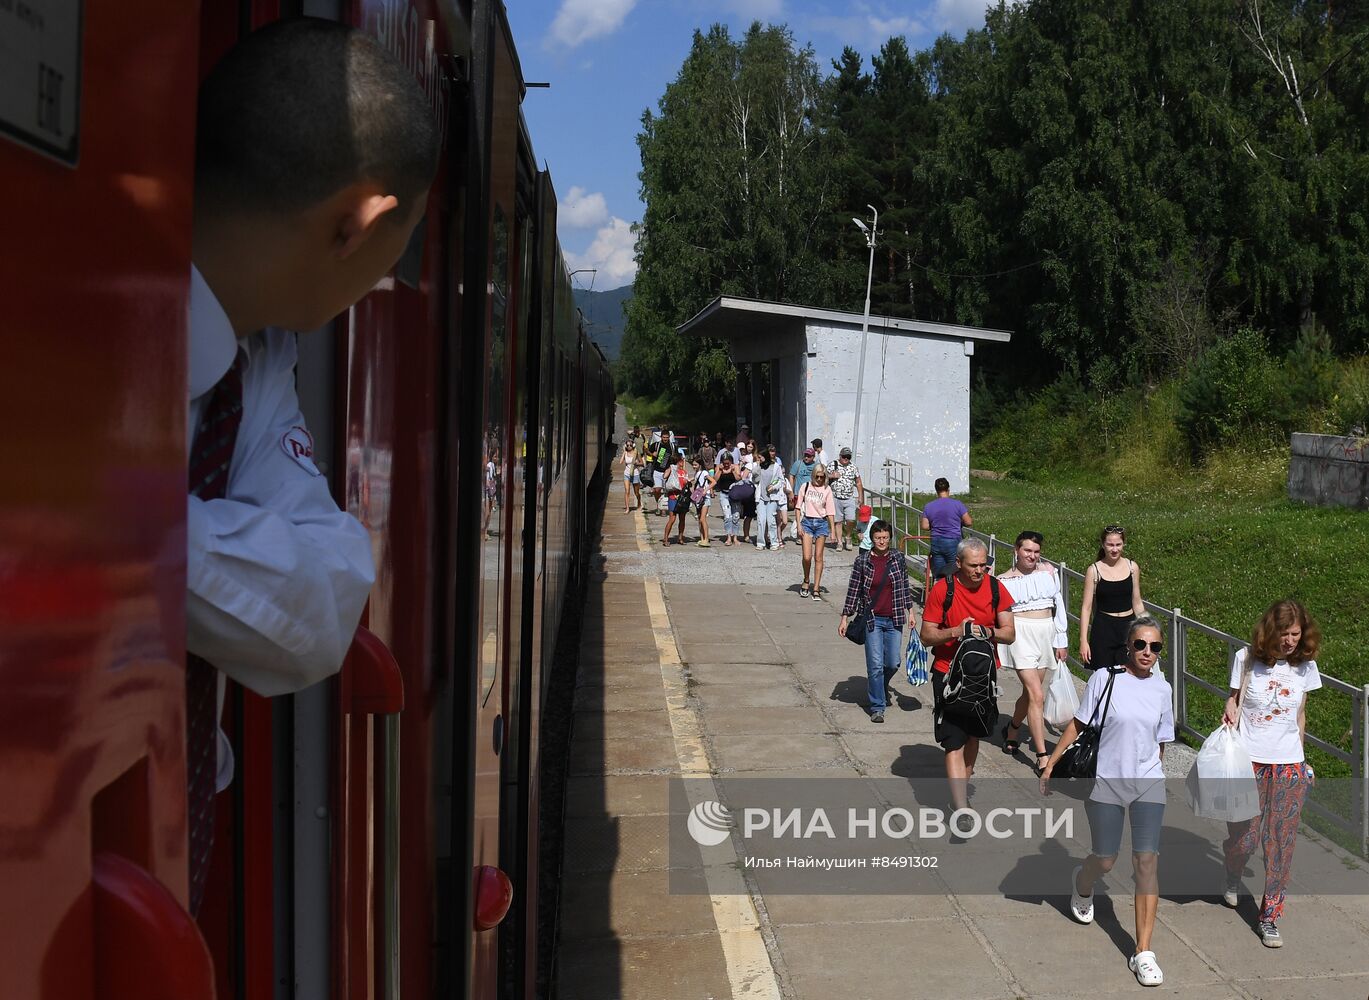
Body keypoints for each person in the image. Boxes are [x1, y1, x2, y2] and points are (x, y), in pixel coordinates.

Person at [188, 16, 437, 914]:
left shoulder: (255, 365)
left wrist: (121, 535)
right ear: (360, 221)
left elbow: (324, 602)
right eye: (393, 253)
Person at [1041, 616, 1173, 988]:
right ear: (1128, 646)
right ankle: (1083, 884)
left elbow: (1161, 742)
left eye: (1155, 647)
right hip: (1106, 782)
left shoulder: (1163, 690)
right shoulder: (1106, 678)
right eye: (1141, 645)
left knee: (1146, 861)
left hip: (1147, 783)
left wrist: (1155, 775)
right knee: (1106, 857)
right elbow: (1079, 724)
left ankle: (1143, 952)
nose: (1148, 652)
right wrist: (1051, 762)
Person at [1220, 600, 1322, 948]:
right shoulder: (1246, 659)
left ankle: (1270, 917)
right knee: (1245, 838)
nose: (1291, 641)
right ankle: (1232, 869)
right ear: (1270, 631)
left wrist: (1303, 760)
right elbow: (1233, 699)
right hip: (1249, 762)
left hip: (1288, 764)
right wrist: (1229, 708)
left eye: (1296, 634)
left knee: (1280, 845)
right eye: (1284, 634)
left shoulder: (1305, 667)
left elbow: (1300, 716)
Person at [919, 538, 1016, 809]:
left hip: (983, 676)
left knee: (973, 735)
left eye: (984, 565)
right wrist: (955, 631)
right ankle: (961, 806)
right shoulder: (942, 590)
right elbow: (926, 636)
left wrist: (989, 632)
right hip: (948, 675)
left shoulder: (996, 588)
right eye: (973, 565)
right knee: (953, 740)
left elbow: (1009, 633)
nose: (979, 571)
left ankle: (960, 791)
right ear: (958, 563)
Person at [998, 531, 1069, 775]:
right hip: (1021, 636)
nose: (1032, 555)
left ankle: (1013, 727)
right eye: (1027, 550)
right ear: (1016, 550)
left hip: (1045, 634)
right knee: (1037, 695)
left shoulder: (1049, 573)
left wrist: (1061, 639)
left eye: (1036, 551)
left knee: (1031, 695)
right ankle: (1042, 756)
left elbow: (1058, 606)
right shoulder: (1004, 580)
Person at [840, 520, 914, 723]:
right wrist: (845, 617)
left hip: (895, 618)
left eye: (885, 538)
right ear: (872, 539)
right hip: (872, 620)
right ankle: (877, 706)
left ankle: (880, 685)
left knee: (892, 662)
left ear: (890, 539)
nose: (882, 541)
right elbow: (853, 590)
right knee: (875, 666)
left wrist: (911, 612)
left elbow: (904, 586)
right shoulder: (862, 561)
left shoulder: (898, 558)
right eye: (878, 538)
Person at [1079, 525, 1145, 670]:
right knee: (1104, 679)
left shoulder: (1132, 567)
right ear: (1103, 545)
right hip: (1104, 629)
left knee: (1130, 677)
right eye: (1110, 545)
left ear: (1123, 544)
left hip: (1128, 628)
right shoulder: (1093, 570)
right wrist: (1083, 640)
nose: (1114, 549)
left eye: (1118, 545)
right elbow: (1086, 608)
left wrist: (1148, 628)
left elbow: (1137, 602)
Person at [796, 464, 837, 600]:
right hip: (807, 522)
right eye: (817, 476)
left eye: (822, 476)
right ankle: (806, 580)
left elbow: (830, 511)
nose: (819, 479)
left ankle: (816, 587)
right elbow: (797, 507)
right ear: (813, 475)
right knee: (807, 556)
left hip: (821, 523)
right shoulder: (806, 486)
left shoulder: (827, 489)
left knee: (818, 556)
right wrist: (798, 525)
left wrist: (833, 531)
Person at [919, 477, 971, 579]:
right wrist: (958, 522)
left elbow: (924, 526)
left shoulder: (929, 506)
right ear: (948, 489)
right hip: (953, 541)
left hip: (936, 542)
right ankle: (953, 592)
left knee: (939, 574)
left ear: (936, 490)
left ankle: (939, 592)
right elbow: (968, 522)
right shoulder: (957, 504)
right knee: (954, 572)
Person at [827, 447, 864, 550]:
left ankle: (848, 536)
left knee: (851, 519)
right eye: (844, 456)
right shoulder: (833, 465)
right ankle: (839, 542)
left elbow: (858, 482)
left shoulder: (853, 467)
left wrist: (860, 496)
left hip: (849, 497)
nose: (846, 459)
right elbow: (822, 476)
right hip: (835, 497)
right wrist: (832, 475)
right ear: (840, 456)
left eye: (848, 457)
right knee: (838, 521)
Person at [754, 448, 786, 550]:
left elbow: (781, 481)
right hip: (761, 497)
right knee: (760, 520)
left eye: (760, 457)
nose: (759, 459)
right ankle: (760, 542)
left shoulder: (776, 466)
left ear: (765, 456)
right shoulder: (759, 466)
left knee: (771, 520)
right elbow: (753, 478)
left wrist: (774, 487)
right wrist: (758, 465)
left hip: (772, 497)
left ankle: (774, 542)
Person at [660, 454, 691, 545]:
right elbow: (664, 476)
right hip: (673, 497)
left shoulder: (684, 472)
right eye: (681, 461)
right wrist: (670, 468)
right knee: (672, 519)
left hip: (682, 498)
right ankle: (665, 539)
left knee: (682, 519)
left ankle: (680, 538)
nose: (682, 463)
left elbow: (686, 483)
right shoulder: (672, 470)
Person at [789, 447, 819, 541]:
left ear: (813, 457)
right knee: (801, 514)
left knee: (811, 515)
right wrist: (791, 491)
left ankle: (809, 534)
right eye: (805, 455)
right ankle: (798, 534)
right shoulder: (798, 464)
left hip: (812, 495)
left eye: (809, 456)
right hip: (799, 494)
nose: (806, 458)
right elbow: (791, 476)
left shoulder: (816, 466)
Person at [765, 443, 790, 547]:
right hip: (771, 494)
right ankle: (773, 537)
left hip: (780, 495)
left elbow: (780, 476)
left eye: (773, 451)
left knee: (784, 521)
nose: (772, 453)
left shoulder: (778, 461)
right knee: (771, 520)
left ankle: (776, 535)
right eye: (770, 451)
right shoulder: (765, 462)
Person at [714, 452, 741, 545]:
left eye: (728, 463)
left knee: (736, 516)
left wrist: (733, 471)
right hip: (724, 494)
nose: (726, 465)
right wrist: (720, 470)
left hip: (734, 494)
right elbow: (715, 480)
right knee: (727, 516)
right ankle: (729, 537)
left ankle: (735, 537)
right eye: (724, 463)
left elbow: (738, 478)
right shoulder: (720, 467)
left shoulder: (735, 467)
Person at [691, 457, 715, 547]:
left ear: (700, 465)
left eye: (695, 465)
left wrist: (706, 490)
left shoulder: (704, 472)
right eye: (693, 464)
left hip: (705, 498)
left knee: (702, 519)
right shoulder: (696, 473)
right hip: (698, 498)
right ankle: (702, 539)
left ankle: (706, 539)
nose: (693, 466)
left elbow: (713, 482)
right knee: (699, 519)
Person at [621, 433, 640, 512]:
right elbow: (620, 462)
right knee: (627, 491)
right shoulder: (625, 453)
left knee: (636, 493)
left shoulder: (636, 453)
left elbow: (642, 463)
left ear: (633, 446)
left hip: (635, 474)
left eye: (630, 445)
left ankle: (639, 503)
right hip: (627, 474)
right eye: (627, 445)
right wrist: (624, 453)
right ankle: (627, 508)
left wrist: (637, 463)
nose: (629, 447)